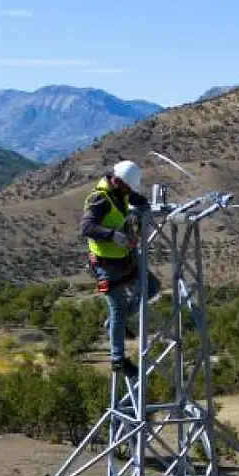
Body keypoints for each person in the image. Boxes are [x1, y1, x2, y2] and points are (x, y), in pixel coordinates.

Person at [81, 160, 161, 378]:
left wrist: (138, 213)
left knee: (152, 287)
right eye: (127, 188)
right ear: (116, 181)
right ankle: (118, 360)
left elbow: (138, 200)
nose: (129, 192)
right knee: (117, 308)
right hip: (105, 265)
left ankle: (118, 322)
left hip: (125, 260)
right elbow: (86, 227)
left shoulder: (121, 193)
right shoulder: (100, 200)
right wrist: (112, 235)